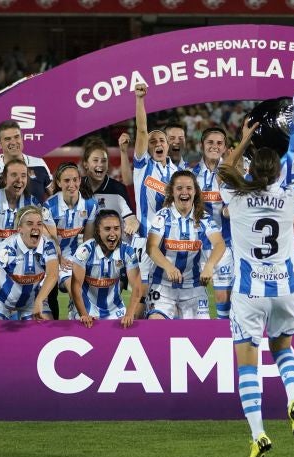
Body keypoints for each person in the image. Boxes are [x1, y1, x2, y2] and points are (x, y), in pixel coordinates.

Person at [218, 121, 294, 457]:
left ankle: (258, 433)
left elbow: (224, 168)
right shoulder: (289, 196)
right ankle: (293, 398)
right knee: (283, 348)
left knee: (248, 365)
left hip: (249, 292)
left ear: (251, 167)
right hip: (287, 289)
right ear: (278, 171)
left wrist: (245, 135)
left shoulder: (237, 195)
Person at [145, 170, 224, 319]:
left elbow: (220, 244)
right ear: (172, 192)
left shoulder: (204, 218)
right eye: (179, 188)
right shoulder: (162, 217)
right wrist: (169, 267)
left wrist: (209, 266)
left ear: (195, 192)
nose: (184, 192)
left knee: (201, 336)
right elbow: (151, 247)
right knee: (156, 325)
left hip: (194, 288)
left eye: (189, 188)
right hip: (162, 286)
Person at [0, 206, 58, 329]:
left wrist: (39, 301)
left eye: (39, 224)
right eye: (30, 224)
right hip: (1, 299)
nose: (35, 228)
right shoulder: (9, 247)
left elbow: (53, 274)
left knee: (45, 332)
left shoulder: (47, 245)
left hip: (32, 300)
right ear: (19, 229)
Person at [132, 83, 177, 298]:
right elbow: (142, 131)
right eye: (153, 141)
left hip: (173, 243)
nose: (158, 143)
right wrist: (140, 100)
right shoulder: (143, 166)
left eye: (162, 140)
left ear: (168, 145)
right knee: (142, 296)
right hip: (146, 241)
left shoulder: (178, 173)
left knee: (172, 296)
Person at [40, 162, 98, 319]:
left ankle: (76, 311)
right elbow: (52, 239)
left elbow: (88, 239)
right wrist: (59, 259)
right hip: (52, 255)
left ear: (80, 180)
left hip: (74, 255)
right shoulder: (49, 206)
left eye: (75, 180)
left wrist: (86, 262)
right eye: (66, 181)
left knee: (89, 290)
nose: (71, 185)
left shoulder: (91, 204)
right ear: (58, 182)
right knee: (75, 291)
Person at [69, 209, 141, 327]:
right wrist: (83, 314)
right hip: (86, 309)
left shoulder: (127, 251)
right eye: (107, 229)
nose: (112, 233)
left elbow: (137, 287)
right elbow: (75, 286)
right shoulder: (85, 251)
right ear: (98, 231)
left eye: (116, 228)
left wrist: (129, 314)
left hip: (115, 310)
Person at [191, 126, 233, 319]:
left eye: (219, 143)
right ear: (202, 145)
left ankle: (226, 340)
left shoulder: (232, 174)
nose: (215, 147)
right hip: (196, 244)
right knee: (197, 298)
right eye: (210, 142)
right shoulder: (190, 174)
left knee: (223, 297)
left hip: (225, 243)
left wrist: (231, 210)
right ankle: (202, 337)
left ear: (225, 148)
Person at [80, 136, 138, 235]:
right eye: (95, 160)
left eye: (104, 161)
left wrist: (133, 224)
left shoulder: (118, 189)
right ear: (86, 164)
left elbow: (131, 218)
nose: (100, 164)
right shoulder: (76, 187)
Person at [0, 119, 52, 200]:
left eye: (16, 137)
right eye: (8, 139)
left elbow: (53, 195)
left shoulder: (39, 163)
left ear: (22, 138)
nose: (13, 142)